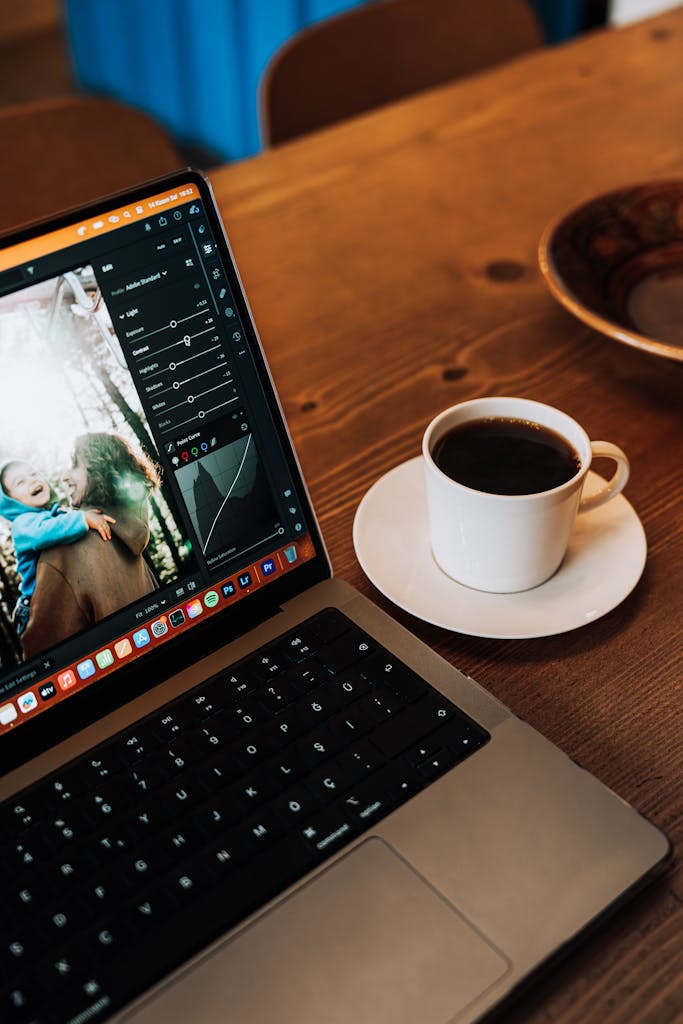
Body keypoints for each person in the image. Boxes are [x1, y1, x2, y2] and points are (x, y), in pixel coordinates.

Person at [20, 433, 161, 661]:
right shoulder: (130, 537)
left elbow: (42, 662)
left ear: (100, 468)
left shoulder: (66, 548)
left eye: (75, 464)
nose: (65, 477)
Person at [0, 459, 115, 636]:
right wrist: (83, 519)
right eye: (20, 482)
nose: (32, 480)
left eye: (33, 473)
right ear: (10, 502)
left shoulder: (54, 515)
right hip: (33, 607)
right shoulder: (22, 526)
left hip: (60, 597)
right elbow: (45, 532)